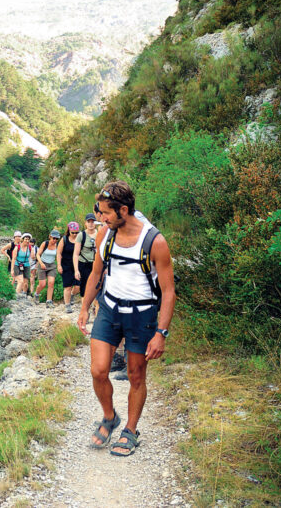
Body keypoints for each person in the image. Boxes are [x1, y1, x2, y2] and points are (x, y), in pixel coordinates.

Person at [77, 181, 175, 457]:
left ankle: (130, 431)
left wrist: (161, 333)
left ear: (123, 210)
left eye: (106, 213)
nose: (101, 219)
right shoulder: (105, 236)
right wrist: (84, 307)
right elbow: (96, 274)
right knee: (98, 370)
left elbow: (168, 292)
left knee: (136, 375)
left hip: (141, 315)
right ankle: (109, 417)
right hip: (109, 309)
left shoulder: (155, 242)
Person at [74, 213, 98, 305]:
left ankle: (95, 309)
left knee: (97, 287)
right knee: (84, 288)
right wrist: (76, 270)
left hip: (96, 264)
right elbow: (76, 254)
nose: (91, 224)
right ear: (85, 223)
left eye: (93, 221)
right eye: (89, 221)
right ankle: (85, 311)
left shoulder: (99, 234)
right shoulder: (81, 235)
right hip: (83, 264)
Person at [57, 222, 81, 313]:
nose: (75, 234)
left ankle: (71, 295)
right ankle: (67, 305)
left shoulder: (80, 239)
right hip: (66, 265)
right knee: (67, 286)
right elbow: (59, 253)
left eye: (76, 232)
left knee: (78, 286)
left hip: (77, 265)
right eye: (73, 232)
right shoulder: (64, 239)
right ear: (69, 231)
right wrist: (59, 265)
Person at [34, 229, 60, 305]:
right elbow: (38, 255)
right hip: (42, 264)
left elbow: (58, 256)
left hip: (51, 265)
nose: (55, 240)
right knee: (42, 284)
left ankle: (49, 301)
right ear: (50, 237)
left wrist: (59, 264)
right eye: (53, 238)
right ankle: (36, 294)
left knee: (51, 283)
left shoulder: (57, 246)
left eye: (56, 239)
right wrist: (41, 263)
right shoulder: (44, 243)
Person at [11, 233, 34, 297]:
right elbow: (13, 259)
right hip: (17, 264)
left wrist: (33, 252)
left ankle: (24, 295)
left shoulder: (30, 248)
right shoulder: (17, 248)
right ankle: (16, 296)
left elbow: (33, 257)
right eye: (26, 239)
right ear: (22, 239)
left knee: (26, 283)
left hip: (26, 265)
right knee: (20, 281)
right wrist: (12, 270)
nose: (27, 241)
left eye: (28, 240)